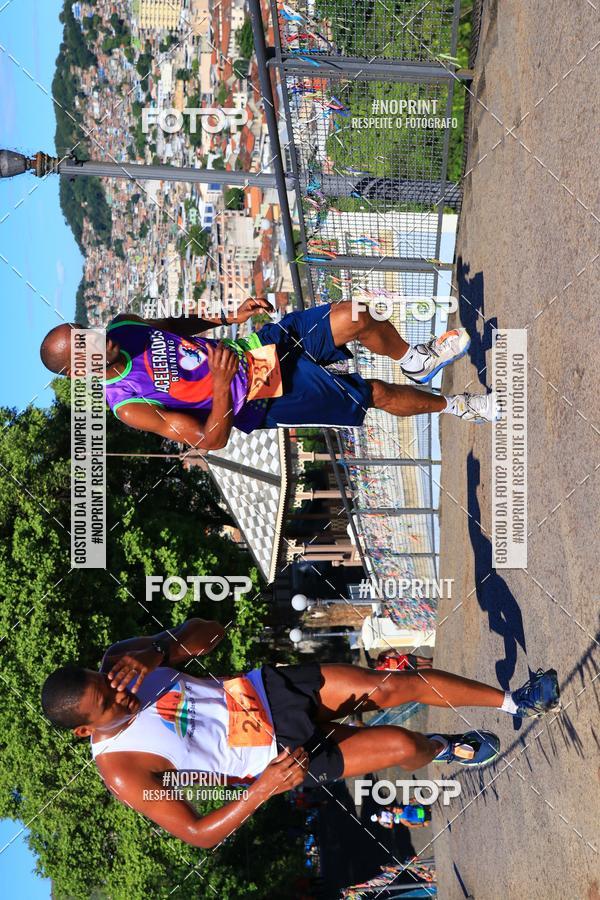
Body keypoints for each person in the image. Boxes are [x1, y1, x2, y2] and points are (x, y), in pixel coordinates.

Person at [41, 618, 561, 849]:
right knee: (406, 747)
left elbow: (212, 631)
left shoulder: (121, 662)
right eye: (108, 703)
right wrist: (261, 790)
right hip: (278, 760)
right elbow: (199, 835)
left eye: (105, 682)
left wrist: (160, 648)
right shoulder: (122, 770)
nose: (121, 692)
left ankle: (517, 699)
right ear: (86, 729)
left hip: (271, 692)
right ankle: (447, 746)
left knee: (390, 687)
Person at [40, 300, 498, 452]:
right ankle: (458, 406)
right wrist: (221, 389)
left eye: (84, 330)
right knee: (371, 393)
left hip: (259, 348)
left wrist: (225, 317)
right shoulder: (128, 404)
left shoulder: (122, 324)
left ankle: (413, 359)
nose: (94, 338)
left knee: (355, 314)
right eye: (83, 346)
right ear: (78, 370)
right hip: (260, 398)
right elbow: (210, 441)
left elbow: (174, 327)